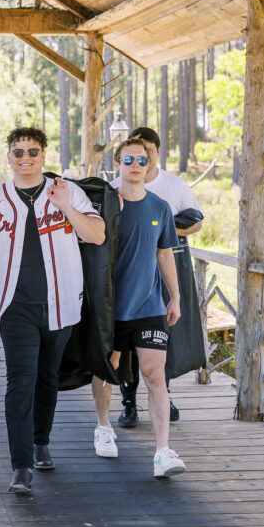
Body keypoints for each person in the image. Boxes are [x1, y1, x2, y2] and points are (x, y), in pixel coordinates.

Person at [0, 127, 105, 495]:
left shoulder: (67, 191)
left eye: (32, 151)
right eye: (18, 152)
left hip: (60, 302)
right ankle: (21, 466)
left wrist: (65, 207)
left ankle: (41, 441)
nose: (25, 158)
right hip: (14, 304)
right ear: (8, 157)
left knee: (47, 378)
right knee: (20, 379)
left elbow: (96, 234)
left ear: (44, 156)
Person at [91, 136, 186, 478]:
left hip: (149, 304)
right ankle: (103, 426)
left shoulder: (160, 207)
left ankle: (163, 451)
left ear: (150, 165)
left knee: (155, 374)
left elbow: (164, 254)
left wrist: (174, 297)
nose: (134, 166)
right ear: (117, 164)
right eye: (128, 160)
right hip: (111, 306)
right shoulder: (104, 203)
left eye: (141, 161)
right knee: (108, 369)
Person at [110, 126, 204, 427]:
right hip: (126, 278)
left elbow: (195, 223)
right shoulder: (115, 188)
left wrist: (157, 228)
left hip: (163, 275)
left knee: (161, 344)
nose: (140, 161)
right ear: (121, 160)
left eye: (147, 153)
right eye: (133, 157)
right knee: (122, 350)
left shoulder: (174, 187)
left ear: (156, 154)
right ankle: (128, 403)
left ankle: (165, 395)